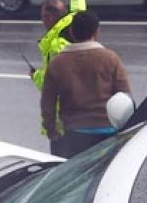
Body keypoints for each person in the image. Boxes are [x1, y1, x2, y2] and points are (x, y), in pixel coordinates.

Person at [41, 11, 132, 158]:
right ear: (96, 32)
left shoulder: (57, 63)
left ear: (71, 31)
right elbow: (124, 96)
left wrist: (51, 129)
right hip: (109, 132)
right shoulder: (110, 58)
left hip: (73, 134)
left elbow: (48, 102)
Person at [32, 0, 87, 142]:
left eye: (42, 16)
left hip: (65, 119)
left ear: (48, 18)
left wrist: (36, 76)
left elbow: (52, 84)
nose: (41, 20)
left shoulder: (56, 45)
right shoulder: (72, 24)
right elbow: (78, 10)